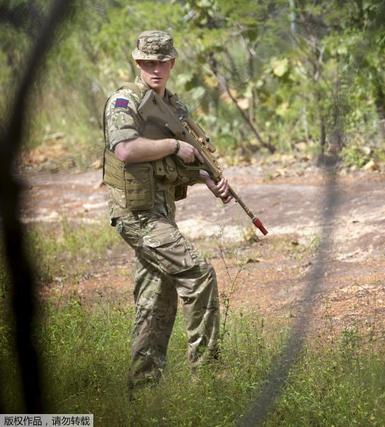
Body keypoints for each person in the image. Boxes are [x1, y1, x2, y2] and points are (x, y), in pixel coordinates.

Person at [102, 30, 231, 391]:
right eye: (147, 62)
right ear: (137, 62)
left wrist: (206, 175)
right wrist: (173, 144)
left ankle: (144, 387)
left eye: (161, 62)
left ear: (172, 62)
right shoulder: (124, 102)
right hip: (136, 214)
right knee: (199, 274)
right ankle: (207, 378)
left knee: (155, 294)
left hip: (159, 211)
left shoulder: (173, 107)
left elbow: (181, 159)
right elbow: (126, 150)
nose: (155, 69)